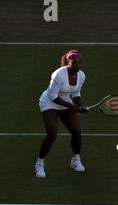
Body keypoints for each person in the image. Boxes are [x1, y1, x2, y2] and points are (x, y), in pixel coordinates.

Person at [34, 50, 88, 178]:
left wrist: (79, 106)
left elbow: (76, 93)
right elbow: (52, 96)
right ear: (67, 62)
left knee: (76, 132)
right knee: (52, 135)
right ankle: (39, 164)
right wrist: (72, 107)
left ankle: (75, 160)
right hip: (49, 103)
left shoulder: (81, 76)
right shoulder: (58, 75)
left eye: (79, 62)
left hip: (65, 103)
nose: (77, 65)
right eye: (73, 62)